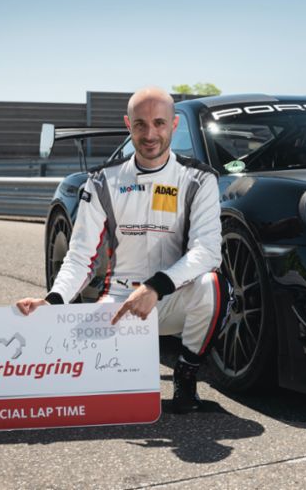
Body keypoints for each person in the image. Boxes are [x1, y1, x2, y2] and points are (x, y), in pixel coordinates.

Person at [16, 86, 225, 414]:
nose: (150, 134)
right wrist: (54, 300)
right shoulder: (100, 181)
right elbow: (80, 256)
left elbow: (208, 250)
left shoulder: (200, 179)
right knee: (77, 402)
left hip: (169, 301)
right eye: (140, 124)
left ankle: (185, 377)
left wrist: (155, 287)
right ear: (128, 125)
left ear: (174, 125)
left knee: (212, 286)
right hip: (115, 309)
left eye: (159, 123)